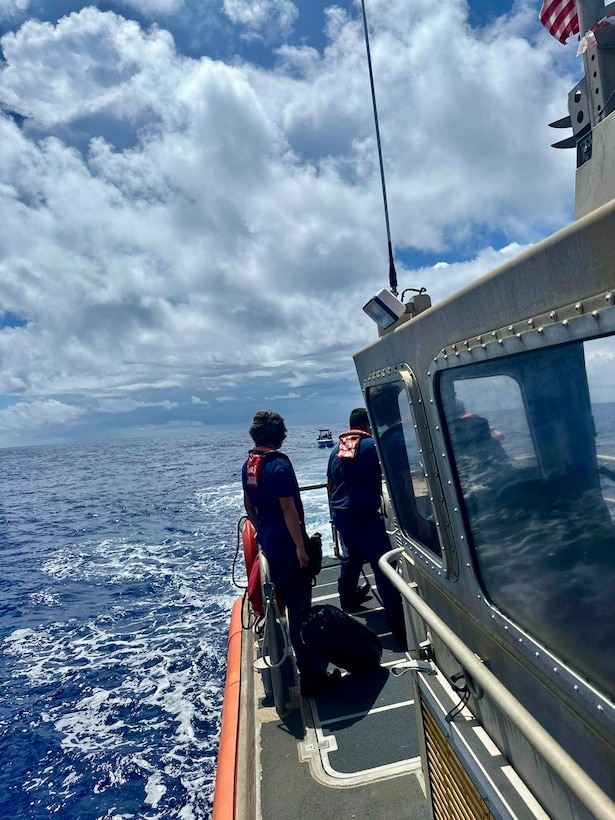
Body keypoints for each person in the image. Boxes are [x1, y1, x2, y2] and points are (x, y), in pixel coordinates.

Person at [242, 410, 341, 697]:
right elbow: (288, 509)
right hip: (287, 543)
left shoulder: (250, 464)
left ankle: (304, 664)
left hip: (269, 539)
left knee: (286, 602)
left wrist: (264, 530)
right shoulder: (279, 467)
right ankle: (311, 676)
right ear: (279, 435)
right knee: (299, 608)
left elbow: (249, 506)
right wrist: (300, 547)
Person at [327, 408, 407, 649]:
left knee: (352, 555)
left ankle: (347, 596)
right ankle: (398, 623)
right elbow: (395, 476)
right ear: (367, 425)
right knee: (382, 564)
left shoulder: (336, 450)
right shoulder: (372, 445)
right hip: (363, 515)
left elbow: (331, 484)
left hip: (341, 514)